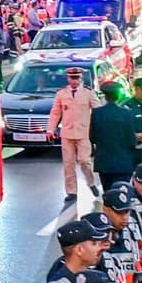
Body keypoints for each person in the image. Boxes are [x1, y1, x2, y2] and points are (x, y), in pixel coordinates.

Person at [50, 66, 101, 203]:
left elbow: (98, 111)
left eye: (77, 78)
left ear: (81, 78)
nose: (74, 81)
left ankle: (91, 183)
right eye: (72, 78)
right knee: (68, 164)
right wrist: (51, 129)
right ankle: (71, 191)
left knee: (85, 161)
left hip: (83, 132)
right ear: (68, 79)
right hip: (67, 132)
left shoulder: (88, 93)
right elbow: (56, 112)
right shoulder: (61, 94)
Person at [92, 84, 142, 193]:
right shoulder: (126, 113)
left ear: (105, 96)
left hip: (104, 163)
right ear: (118, 96)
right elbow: (131, 140)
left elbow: (92, 137)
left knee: (108, 194)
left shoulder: (97, 113)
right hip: (123, 163)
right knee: (122, 194)